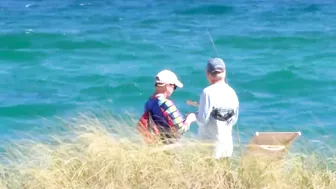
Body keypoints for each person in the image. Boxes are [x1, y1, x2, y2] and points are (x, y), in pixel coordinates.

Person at [192, 57, 239, 159]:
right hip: (226, 148)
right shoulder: (232, 93)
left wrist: (194, 115)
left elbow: (202, 120)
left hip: (209, 149)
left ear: (208, 74)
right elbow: (233, 120)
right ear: (224, 72)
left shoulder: (207, 92)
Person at [137, 69, 196, 144]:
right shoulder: (166, 103)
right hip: (169, 144)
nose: (174, 90)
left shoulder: (149, 103)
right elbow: (180, 129)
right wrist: (190, 119)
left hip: (156, 143)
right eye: (174, 87)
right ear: (168, 85)